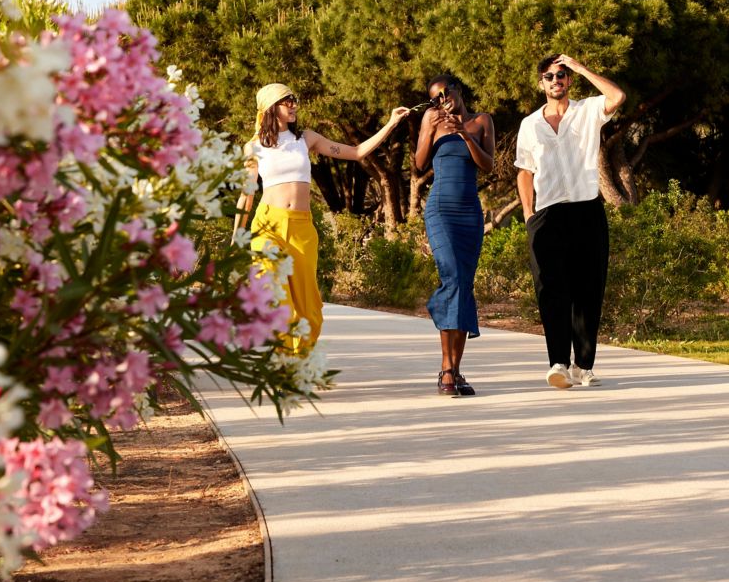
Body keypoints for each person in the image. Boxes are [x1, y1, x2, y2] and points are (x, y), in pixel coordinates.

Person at [235, 83, 410, 352]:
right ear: (270, 107)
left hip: (301, 227)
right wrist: (237, 235)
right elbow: (246, 195)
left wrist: (391, 123)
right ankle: (282, 360)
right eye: (287, 101)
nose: (294, 105)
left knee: (309, 308)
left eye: (294, 99)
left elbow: (356, 152)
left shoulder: (306, 139)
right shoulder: (254, 147)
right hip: (268, 225)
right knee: (275, 293)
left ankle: (298, 359)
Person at [514, 53, 625, 389]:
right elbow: (524, 171)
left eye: (561, 75)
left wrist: (580, 67)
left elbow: (617, 96)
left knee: (589, 290)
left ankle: (583, 367)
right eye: (549, 76)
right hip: (548, 215)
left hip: (587, 210)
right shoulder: (530, 125)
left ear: (569, 80)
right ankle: (559, 364)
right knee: (551, 290)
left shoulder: (588, 110)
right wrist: (529, 214)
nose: (556, 80)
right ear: (541, 83)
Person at [413, 74, 495, 397]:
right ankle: (447, 370)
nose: (442, 100)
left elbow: (488, 165)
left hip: (469, 213)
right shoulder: (431, 121)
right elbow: (419, 163)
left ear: (458, 91)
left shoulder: (482, 121)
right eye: (435, 98)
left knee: (463, 285)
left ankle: (455, 372)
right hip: (440, 210)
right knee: (453, 279)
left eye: (446, 93)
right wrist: (428, 128)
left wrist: (465, 135)